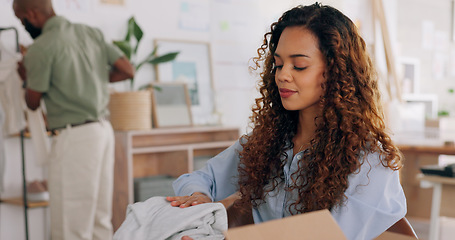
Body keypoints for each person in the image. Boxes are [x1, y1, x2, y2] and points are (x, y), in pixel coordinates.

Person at [167, 3, 406, 240]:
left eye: (299, 66)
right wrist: (199, 197)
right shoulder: (268, 144)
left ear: (335, 71)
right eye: (279, 64)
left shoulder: (369, 160)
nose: (282, 75)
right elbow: (196, 179)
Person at [13, 0, 134, 239]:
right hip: (103, 132)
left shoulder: (41, 48)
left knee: (70, 226)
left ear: (32, 14)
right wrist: (93, 78)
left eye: (21, 20)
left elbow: (33, 102)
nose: (23, 25)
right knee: (99, 220)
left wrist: (26, 77)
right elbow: (127, 70)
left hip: (75, 138)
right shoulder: (91, 33)